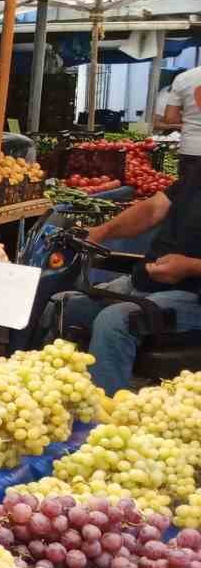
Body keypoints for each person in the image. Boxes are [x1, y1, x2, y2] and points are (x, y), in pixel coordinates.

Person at [63, 157, 201, 395]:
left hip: (192, 298)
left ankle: (103, 421)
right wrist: (101, 232)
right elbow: (152, 209)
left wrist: (190, 267)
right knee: (64, 307)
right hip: (144, 284)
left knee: (115, 321)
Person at [161, 61, 201, 178]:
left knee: (188, 192)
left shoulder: (184, 78)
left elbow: (170, 117)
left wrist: (190, 117)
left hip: (192, 148)